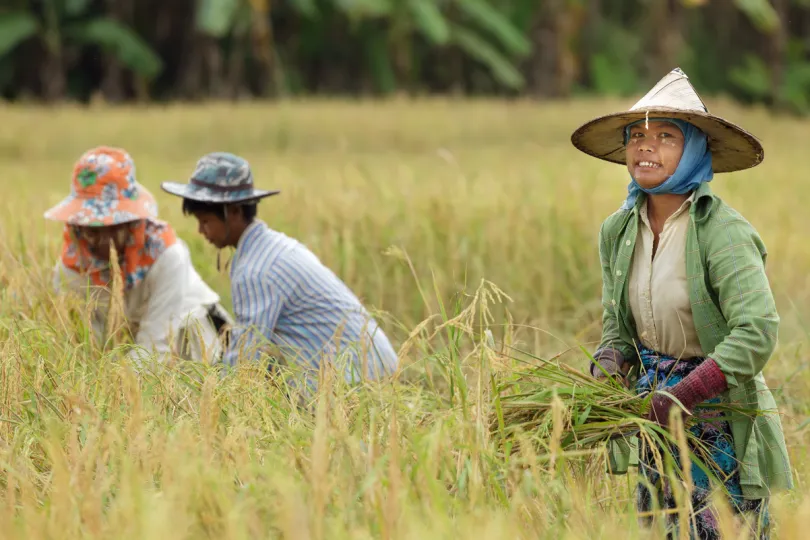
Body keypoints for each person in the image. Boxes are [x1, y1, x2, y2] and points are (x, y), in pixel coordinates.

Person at [571, 68, 793, 538]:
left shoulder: (722, 232)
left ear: (694, 151)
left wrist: (684, 395)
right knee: (662, 528)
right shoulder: (618, 230)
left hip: (715, 416)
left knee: (719, 526)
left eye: (665, 136)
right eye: (637, 135)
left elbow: (756, 332)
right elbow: (618, 327)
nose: (645, 146)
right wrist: (609, 366)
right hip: (652, 416)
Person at [160, 152, 399, 388]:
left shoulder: (256, 270)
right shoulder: (273, 246)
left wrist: (213, 401)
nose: (201, 231)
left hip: (357, 375)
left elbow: (245, 358)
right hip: (373, 362)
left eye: (205, 221)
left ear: (233, 212)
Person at [47, 146, 232, 366]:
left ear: (129, 223)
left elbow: (155, 347)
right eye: (88, 228)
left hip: (189, 344)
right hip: (126, 353)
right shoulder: (70, 269)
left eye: (107, 227)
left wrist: (120, 392)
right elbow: (85, 349)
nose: (96, 240)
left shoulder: (166, 256)